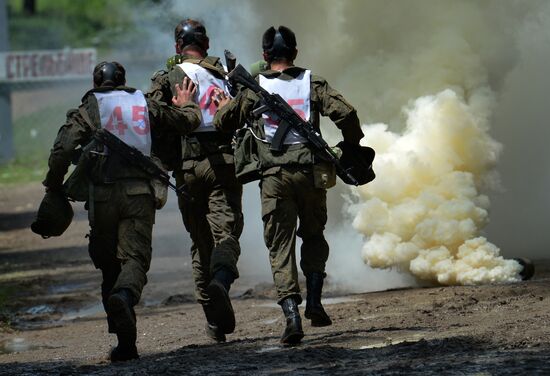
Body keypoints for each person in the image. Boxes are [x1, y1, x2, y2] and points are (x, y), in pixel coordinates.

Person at [213, 25, 365, 344]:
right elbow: (347, 113)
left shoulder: (254, 86)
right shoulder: (312, 81)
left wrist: (229, 101)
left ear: (265, 56)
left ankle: (292, 317)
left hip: (275, 178)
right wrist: (352, 146)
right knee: (313, 235)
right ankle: (314, 300)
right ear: (294, 53)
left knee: (280, 246)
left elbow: (223, 122)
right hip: (311, 175)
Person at [40, 61, 200, 361]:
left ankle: (126, 341)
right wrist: (189, 105)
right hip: (139, 194)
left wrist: (53, 184)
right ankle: (124, 297)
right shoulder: (143, 102)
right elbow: (184, 122)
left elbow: (63, 149)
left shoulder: (91, 105)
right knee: (135, 260)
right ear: (124, 80)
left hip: (102, 197)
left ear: (96, 82)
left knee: (109, 264)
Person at [148, 19, 243, 343]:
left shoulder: (167, 78)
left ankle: (214, 322)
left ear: (178, 47)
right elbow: (247, 111)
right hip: (222, 166)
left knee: (200, 244)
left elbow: (149, 114)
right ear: (207, 44)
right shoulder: (226, 76)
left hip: (187, 170)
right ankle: (221, 280)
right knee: (226, 233)